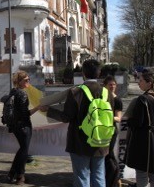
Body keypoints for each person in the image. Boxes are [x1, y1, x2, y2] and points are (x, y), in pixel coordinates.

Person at [41, 59, 114, 187]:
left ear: (83, 74)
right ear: (99, 73)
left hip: (79, 142)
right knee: (99, 176)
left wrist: (49, 111)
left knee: (82, 177)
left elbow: (66, 117)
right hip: (101, 141)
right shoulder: (106, 92)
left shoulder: (76, 92)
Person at [7, 70, 41, 185]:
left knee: (22, 149)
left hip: (15, 126)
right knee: (24, 151)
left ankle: (12, 174)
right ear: (19, 81)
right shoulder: (22, 93)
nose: (28, 81)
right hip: (24, 126)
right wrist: (38, 107)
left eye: (29, 79)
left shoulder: (13, 91)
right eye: (26, 80)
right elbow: (25, 114)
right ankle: (20, 176)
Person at [125, 71, 154, 187]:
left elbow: (137, 122)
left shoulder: (143, 100)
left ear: (149, 83)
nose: (138, 83)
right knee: (153, 173)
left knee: (142, 172)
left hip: (144, 141)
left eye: (141, 81)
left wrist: (128, 121)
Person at [103, 75, 123, 187]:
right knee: (105, 155)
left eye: (114, 84)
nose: (112, 86)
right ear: (105, 86)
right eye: (110, 84)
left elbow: (118, 118)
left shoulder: (117, 100)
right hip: (101, 130)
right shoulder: (101, 99)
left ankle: (116, 178)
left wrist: (104, 116)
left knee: (109, 155)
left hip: (111, 130)